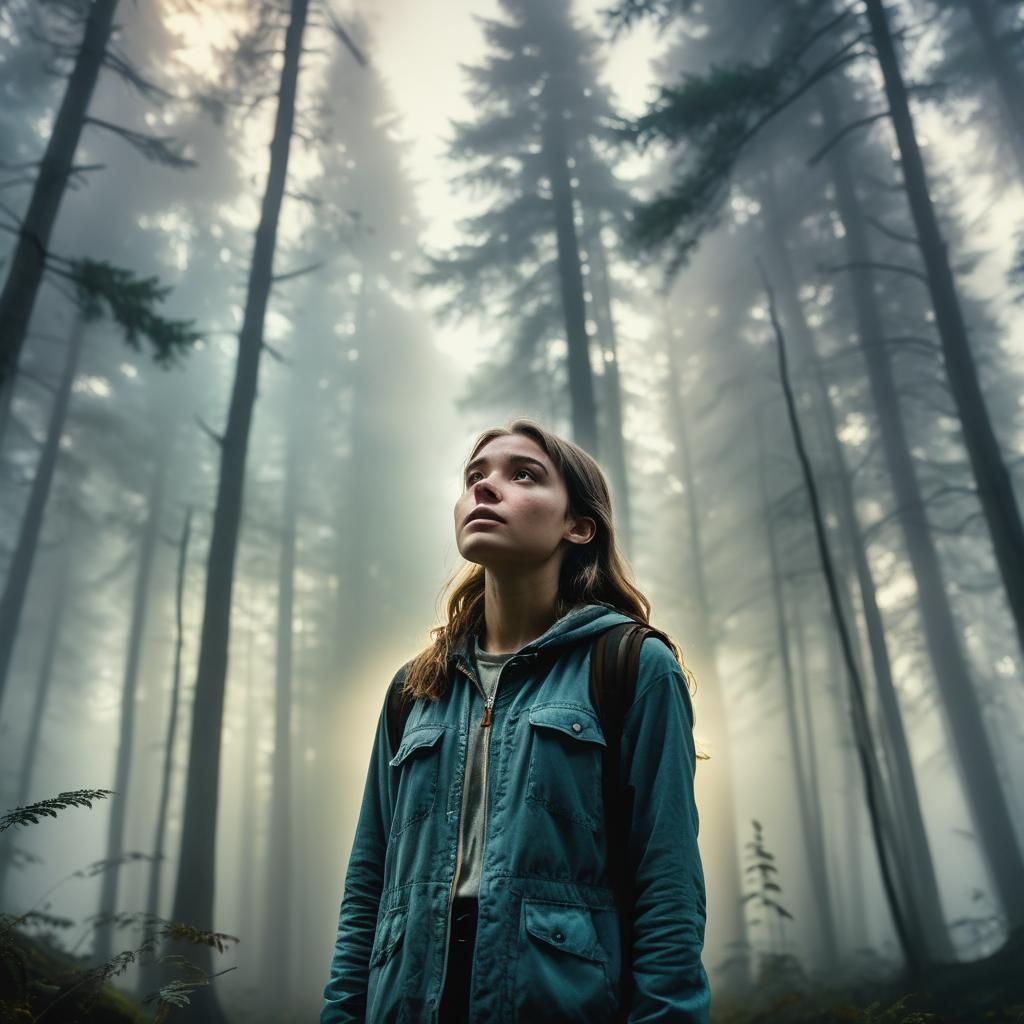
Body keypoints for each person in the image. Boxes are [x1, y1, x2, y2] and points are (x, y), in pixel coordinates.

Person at [320, 418, 711, 1023]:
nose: (485, 488)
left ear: (579, 526)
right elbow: (368, 882)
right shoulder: (415, 687)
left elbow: (668, 881)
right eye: (475, 476)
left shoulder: (632, 665)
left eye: (521, 475)